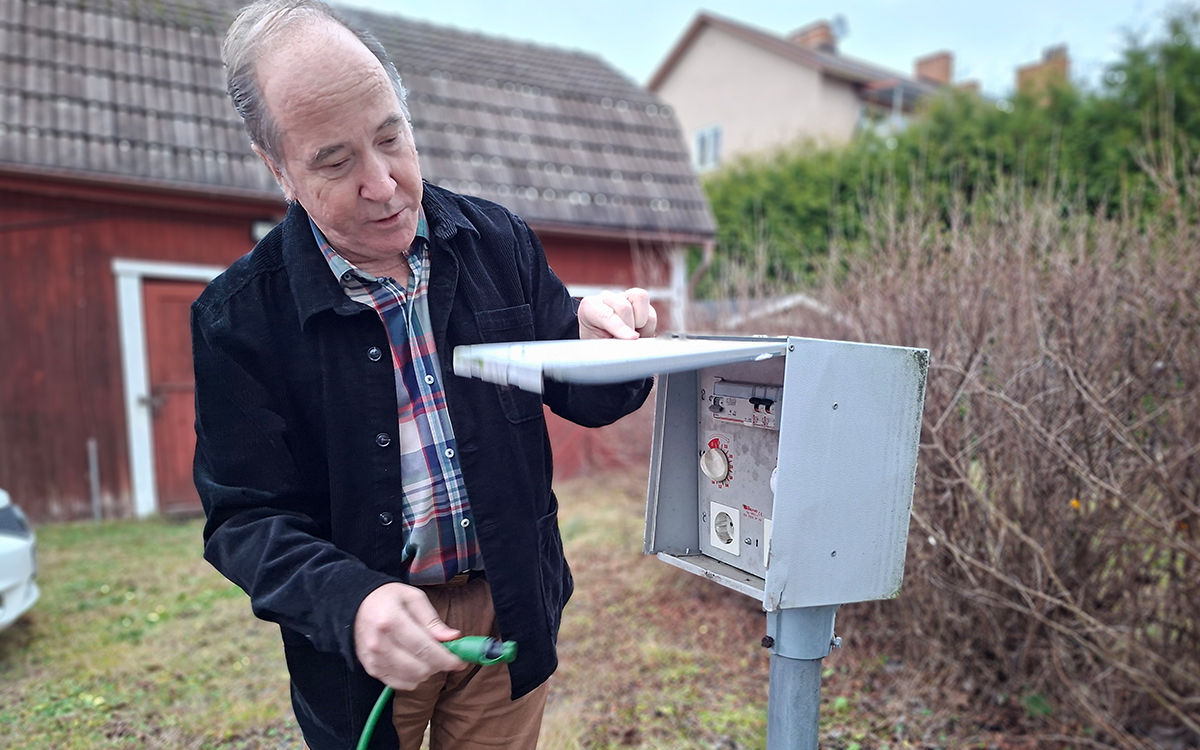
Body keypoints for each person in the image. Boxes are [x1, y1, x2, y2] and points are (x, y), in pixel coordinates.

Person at [192, 2, 657, 748]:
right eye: (336, 162)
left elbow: (587, 393)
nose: (383, 185)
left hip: (509, 606)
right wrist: (350, 602)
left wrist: (607, 340)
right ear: (276, 167)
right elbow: (244, 521)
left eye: (390, 138)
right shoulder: (236, 319)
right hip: (366, 652)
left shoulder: (495, 240)